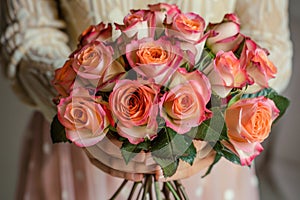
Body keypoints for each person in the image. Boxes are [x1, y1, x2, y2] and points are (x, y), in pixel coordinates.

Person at [0, 0, 292, 199]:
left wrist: (212, 128)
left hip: (208, 152)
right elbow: (29, 36)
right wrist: (86, 104)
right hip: (78, 137)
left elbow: (271, 43)